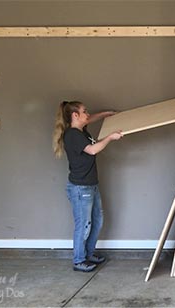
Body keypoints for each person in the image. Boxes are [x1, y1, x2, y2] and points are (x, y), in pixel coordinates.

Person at [52, 101, 123, 272]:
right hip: (80, 188)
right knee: (83, 225)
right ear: (75, 116)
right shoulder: (72, 135)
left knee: (97, 222)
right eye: (85, 111)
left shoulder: (80, 130)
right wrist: (110, 137)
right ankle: (79, 260)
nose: (88, 114)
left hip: (91, 185)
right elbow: (92, 150)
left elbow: (89, 120)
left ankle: (88, 254)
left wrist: (105, 114)